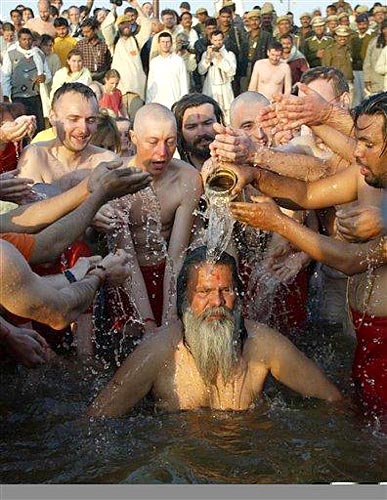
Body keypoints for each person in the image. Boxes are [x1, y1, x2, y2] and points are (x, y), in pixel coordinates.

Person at [215, 93, 387, 415]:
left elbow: (350, 261)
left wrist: (279, 223)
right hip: (366, 333)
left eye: (367, 144)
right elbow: (307, 194)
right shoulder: (366, 177)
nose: (355, 152)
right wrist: (254, 176)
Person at [88, 246, 341, 416]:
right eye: (204, 292)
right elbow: (98, 419)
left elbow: (333, 401)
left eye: (226, 291)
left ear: (238, 297)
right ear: (185, 300)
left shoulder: (264, 345)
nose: (217, 302)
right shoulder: (157, 354)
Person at [94, 103, 202, 328]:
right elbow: (126, 256)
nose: (162, 153)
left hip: (167, 274)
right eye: (152, 142)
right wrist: (148, 322)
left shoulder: (188, 178)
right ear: (133, 137)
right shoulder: (117, 179)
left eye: (170, 141)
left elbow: (177, 255)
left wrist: (169, 317)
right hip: (125, 276)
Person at [18, 83, 117, 192]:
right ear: (53, 117)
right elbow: (30, 208)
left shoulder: (108, 160)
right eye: (74, 119)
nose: (83, 129)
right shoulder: (36, 157)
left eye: (90, 120)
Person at [101, 0, 152, 119]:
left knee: (135, 121)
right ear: (118, 26)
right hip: (119, 91)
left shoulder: (136, 40)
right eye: (123, 23)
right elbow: (106, 27)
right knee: (120, 123)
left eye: (128, 23)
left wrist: (135, 5)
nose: (126, 26)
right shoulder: (113, 42)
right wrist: (113, 7)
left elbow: (147, 25)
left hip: (136, 91)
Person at [2, 28, 51, 133]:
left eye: (29, 39)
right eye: (24, 39)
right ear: (19, 40)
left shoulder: (38, 54)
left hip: (35, 97)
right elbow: (6, 76)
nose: (27, 42)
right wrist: (6, 95)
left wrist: (44, 77)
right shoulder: (11, 53)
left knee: (38, 128)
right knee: (20, 128)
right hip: (18, 98)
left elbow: (48, 74)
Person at [172, 93, 224, 170]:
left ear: (219, 122)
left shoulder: (238, 160)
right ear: (180, 131)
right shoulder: (173, 171)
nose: (201, 132)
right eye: (192, 127)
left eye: (207, 123)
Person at [198, 30, 236, 123]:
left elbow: (231, 71)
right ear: (211, 41)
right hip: (211, 87)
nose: (218, 42)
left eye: (220, 40)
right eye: (215, 40)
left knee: (227, 114)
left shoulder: (229, 54)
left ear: (223, 40)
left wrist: (220, 58)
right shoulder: (206, 54)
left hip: (224, 87)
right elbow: (201, 71)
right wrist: (207, 58)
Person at [146, 32, 188, 109]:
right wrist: (149, 103)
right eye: (163, 42)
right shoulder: (154, 62)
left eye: (168, 42)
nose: (165, 44)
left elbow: (183, 83)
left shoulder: (178, 60)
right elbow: (150, 85)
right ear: (159, 43)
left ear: (171, 43)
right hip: (158, 104)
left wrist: (182, 103)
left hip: (174, 102)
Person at [241, 10, 272, 92]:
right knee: (245, 91)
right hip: (246, 67)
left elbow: (269, 53)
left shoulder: (266, 36)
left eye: (256, 20)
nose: (254, 22)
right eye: (251, 20)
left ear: (260, 21)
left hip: (260, 67)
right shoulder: (245, 35)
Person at [322, 26, 354, 100]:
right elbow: (325, 68)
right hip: (335, 82)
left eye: (345, 36)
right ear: (335, 37)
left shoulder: (349, 49)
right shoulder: (329, 50)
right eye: (340, 36)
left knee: (349, 106)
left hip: (349, 81)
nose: (342, 38)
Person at [75, 17, 111, 82]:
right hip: (84, 78)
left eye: (88, 32)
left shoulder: (104, 44)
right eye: (84, 32)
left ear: (95, 30)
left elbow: (108, 62)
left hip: (101, 78)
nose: (85, 34)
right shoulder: (80, 45)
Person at [363, 20, 387, 96]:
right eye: (384, 28)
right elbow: (367, 62)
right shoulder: (374, 42)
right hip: (376, 81)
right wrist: (367, 79)